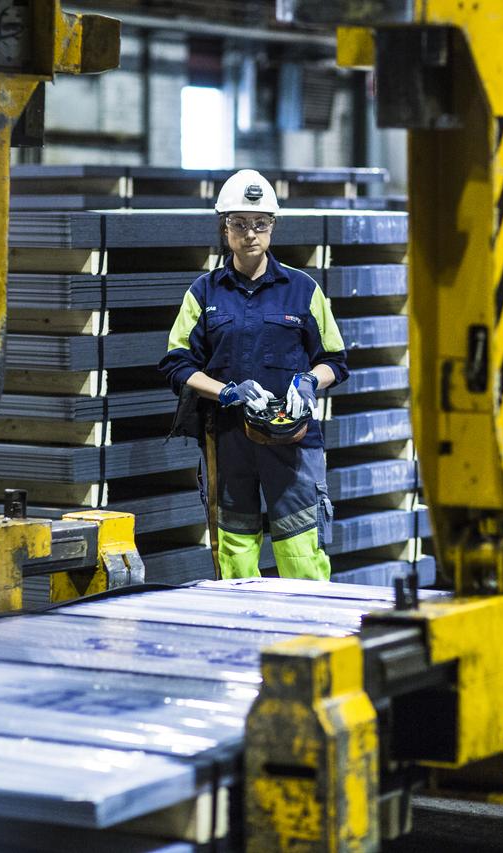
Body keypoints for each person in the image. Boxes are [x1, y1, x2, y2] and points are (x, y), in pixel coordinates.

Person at [158, 170, 348, 580]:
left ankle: (309, 632)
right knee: (236, 551)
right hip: (229, 441)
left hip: (294, 443)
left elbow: (335, 359)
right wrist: (226, 392)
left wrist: (310, 380)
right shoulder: (203, 293)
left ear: (272, 227)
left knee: (301, 548)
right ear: (224, 228)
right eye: (239, 224)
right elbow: (177, 363)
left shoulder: (303, 290)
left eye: (260, 224)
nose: (250, 234)